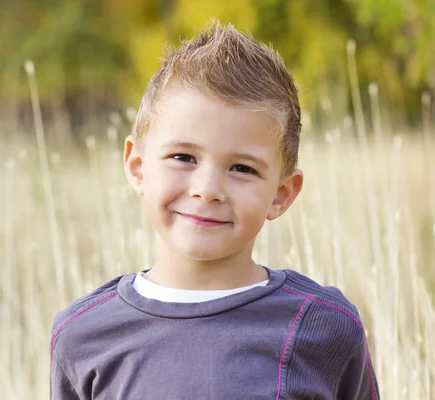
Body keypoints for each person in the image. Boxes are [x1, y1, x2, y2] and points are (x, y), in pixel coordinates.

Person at [49, 19, 380, 399]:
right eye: (183, 157)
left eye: (242, 168)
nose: (208, 190)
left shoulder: (324, 328)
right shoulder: (82, 335)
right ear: (138, 167)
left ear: (281, 194)